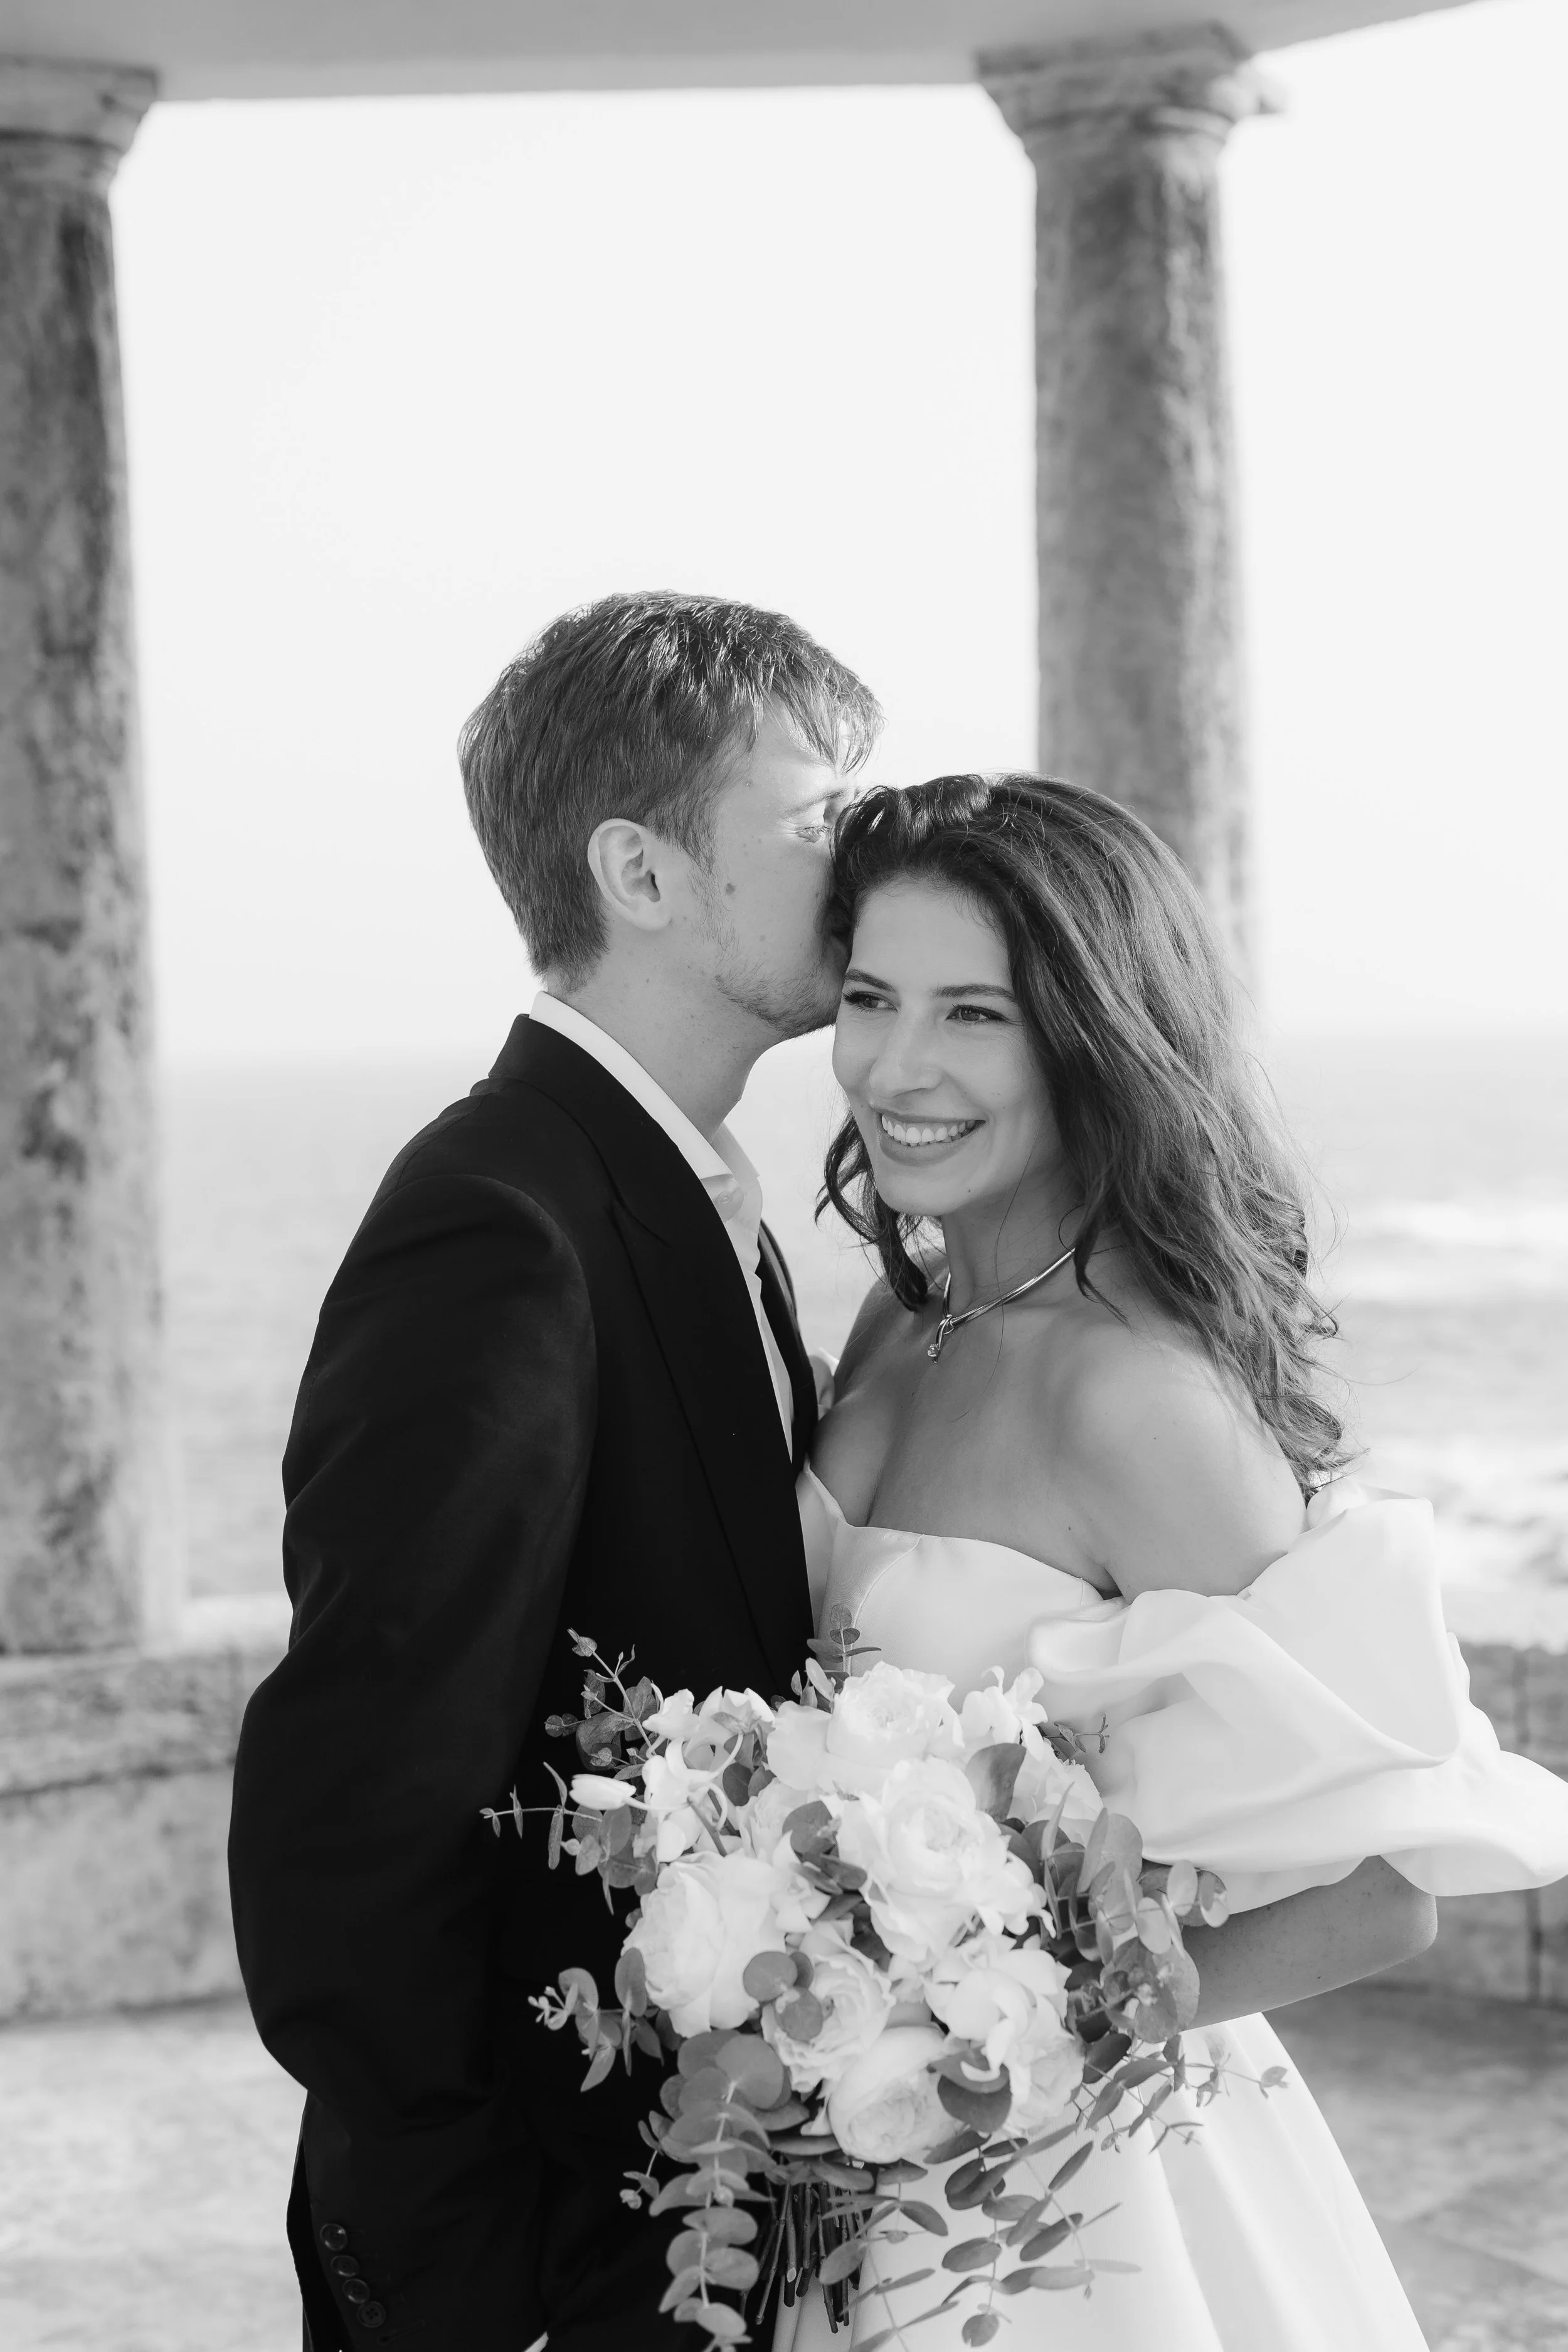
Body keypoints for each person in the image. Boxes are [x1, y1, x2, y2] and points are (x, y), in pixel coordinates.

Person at [780, 773, 1568, 2351]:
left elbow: (1377, 1893)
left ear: (1092, 1036)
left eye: (973, 1014)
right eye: (869, 998)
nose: (896, 1066)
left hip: (1068, 2207)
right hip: (844, 2148)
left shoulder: (1140, 1398)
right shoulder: (904, 1315)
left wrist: (1015, 2033)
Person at [228, 592, 880, 2352]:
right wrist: (468, 2277)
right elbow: (349, 1803)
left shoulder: (694, 1192)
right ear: (642, 873)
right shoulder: (497, 1218)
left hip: (704, 2193)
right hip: (548, 2249)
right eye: (818, 815)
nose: (868, 852)